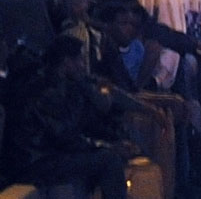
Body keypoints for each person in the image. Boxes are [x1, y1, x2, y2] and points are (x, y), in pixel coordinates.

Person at [9, 35, 132, 199]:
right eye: (79, 60)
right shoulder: (48, 90)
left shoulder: (61, 85)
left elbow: (81, 126)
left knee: (104, 158)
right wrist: (104, 147)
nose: (83, 65)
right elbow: (63, 135)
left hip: (45, 155)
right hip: (34, 161)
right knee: (109, 160)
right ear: (67, 63)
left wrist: (109, 142)